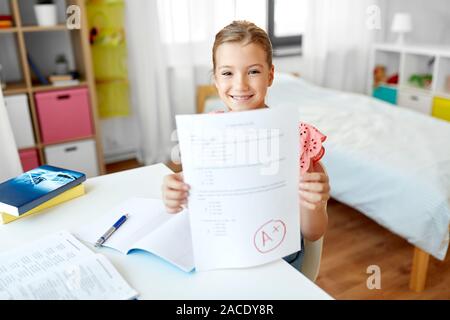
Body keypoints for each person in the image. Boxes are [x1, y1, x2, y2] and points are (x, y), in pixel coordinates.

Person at [161, 20, 330, 271]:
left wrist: (315, 204)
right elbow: (196, 196)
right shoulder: (208, 134)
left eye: (253, 71)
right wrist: (173, 193)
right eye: (228, 73)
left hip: (277, 261)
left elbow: (313, 233)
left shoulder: (296, 137)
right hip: (223, 253)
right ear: (216, 80)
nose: (240, 85)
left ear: (270, 75)